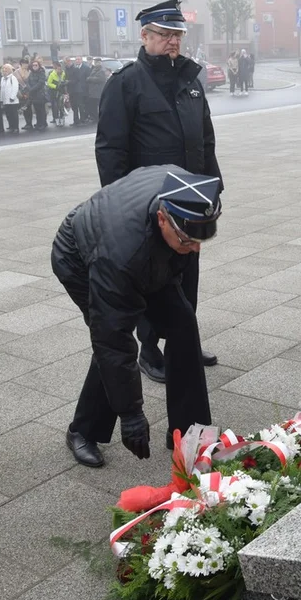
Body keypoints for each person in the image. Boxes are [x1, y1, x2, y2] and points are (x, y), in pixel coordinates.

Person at [51, 166, 221, 466]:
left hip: (147, 248)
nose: (194, 249)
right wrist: (131, 415)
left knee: (182, 322)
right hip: (80, 256)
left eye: (200, 241)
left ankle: (190, 431)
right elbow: (112, 339)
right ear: (161, 218)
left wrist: (181, 245)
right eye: (187, 241)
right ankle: (82, 430)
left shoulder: (185, 196)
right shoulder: (119, 257)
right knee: (112, 339)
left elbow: (180, 242)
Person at [95, 0, 221, 383]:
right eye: (165, 34)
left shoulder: (190, 81)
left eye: (177, 35)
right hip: (149, 203)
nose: (172, 42)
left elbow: (206, 141)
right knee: (152, 279)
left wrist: (214, 189)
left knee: (188, 275)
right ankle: (149, 351)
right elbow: (110, 149)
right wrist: (121, 204)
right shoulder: (126, 84)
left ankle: (184, 342)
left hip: (191, 199)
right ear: (144, 36)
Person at [25, 59, 48, 130]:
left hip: (40, 94)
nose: (34, 66)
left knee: (42, 110)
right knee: (37, 110)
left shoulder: (41, 73)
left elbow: (40, 83)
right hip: (33, 95)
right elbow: (27, 81)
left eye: (36, 65)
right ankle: (38, 123)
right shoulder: (31, 73)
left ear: (39, 66)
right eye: (33, 65)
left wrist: (32, 89)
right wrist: (29, 88)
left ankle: (43, 123)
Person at [0, 62, 21, 132]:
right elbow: (2, 90)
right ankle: (11, 126)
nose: (5, 71)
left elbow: (15, 88)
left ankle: (16, 127)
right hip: (5, 100)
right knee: (8, 114)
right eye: (4, 70)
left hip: (12, 100)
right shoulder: (2, 78)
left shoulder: (13, 78)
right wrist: (1, 99)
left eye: (6, 70)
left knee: (14, 114)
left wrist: (12, 97)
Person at [85, 58, 107, 124]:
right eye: (95, 62)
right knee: (92, 105)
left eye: (97, 62)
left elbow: (101, 79)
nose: (95, 63)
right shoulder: (94, 69)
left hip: (98, 91)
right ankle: (95, 117)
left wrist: (90, 79)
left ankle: (100, 118)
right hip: (93, 91)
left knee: (99, 106)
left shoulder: (102, 70)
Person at [67, 56, 88, 125]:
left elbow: (81, 79)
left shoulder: (83, 68)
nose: (77, 61)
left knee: (80, 105)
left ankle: (83, 119)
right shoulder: (71, 68)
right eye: (76, 59)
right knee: (74, 106)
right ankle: (76, 120)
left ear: (81, 60)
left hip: (79, 90)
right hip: (72, 90)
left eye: (79, 59)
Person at [46, 61, 65, 126]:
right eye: (58, 69)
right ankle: (56, 118)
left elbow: (65, 81)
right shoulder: (52, 74)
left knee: (61, 106)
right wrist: (55, 86)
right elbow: (49, 83)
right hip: (54, 92)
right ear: (56, 69)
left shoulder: (63, 74)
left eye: (60, 69)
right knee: (55, 106)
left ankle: (62, 118)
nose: (59, 70)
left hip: (61, 92)